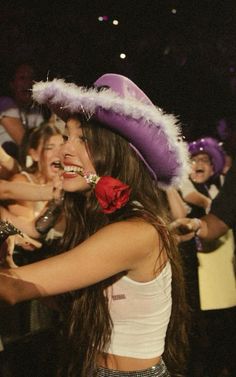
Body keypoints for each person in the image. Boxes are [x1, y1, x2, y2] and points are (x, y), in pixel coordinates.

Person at [0, 74, 190, 377]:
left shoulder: (136, 232)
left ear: (116, 152)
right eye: (66, 137)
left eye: (83, 139)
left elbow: (10, 290)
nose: (65, 151)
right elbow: (63, 300)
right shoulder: (101, 222)